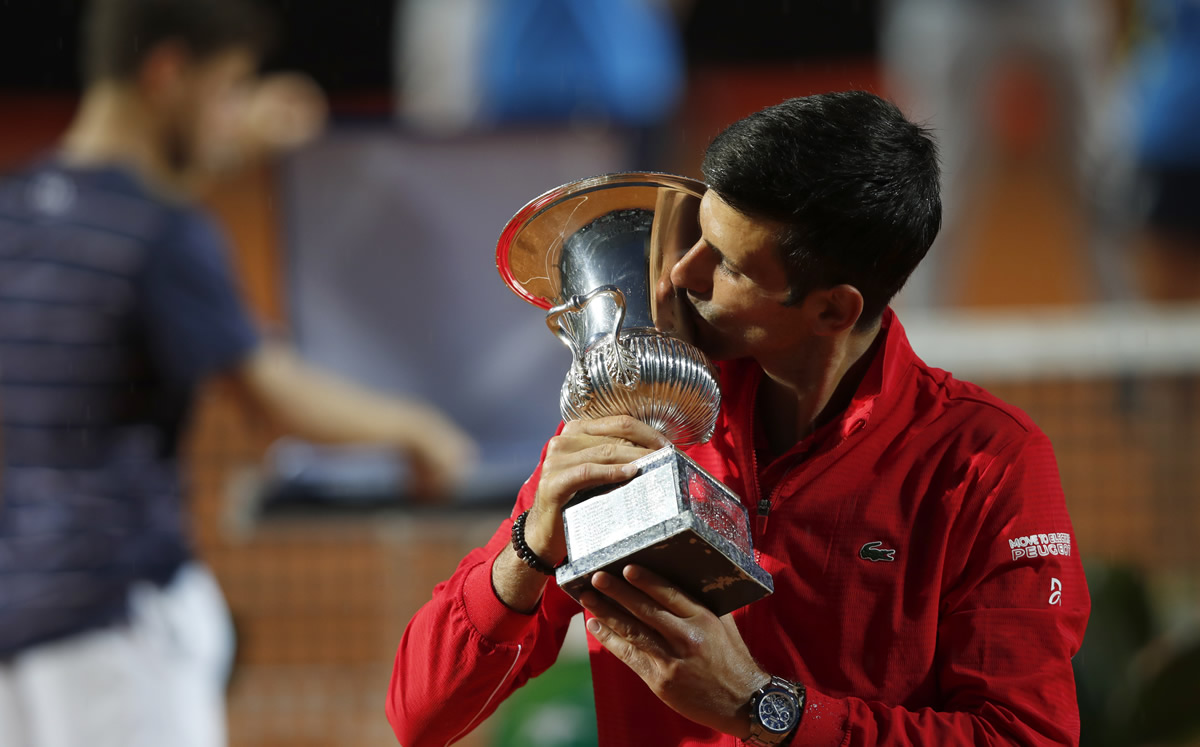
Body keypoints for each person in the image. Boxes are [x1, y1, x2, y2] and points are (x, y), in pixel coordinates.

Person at [387, 91, 1090, 746]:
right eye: (696, 232)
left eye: (724, 262)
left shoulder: (988, 466)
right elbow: (422, 713)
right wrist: (530, 546)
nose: (679, 274)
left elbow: (1022, 734)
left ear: (832, 310)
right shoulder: (637, 413)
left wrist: (761, 704)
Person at [0, 1, 475, 745]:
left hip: (15, 633)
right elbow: (270, 394)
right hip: (114, 628)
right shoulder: (162, 231)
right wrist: (415, 428)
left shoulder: (18, 211)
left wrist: (232, 134)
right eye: (227, 89)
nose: (233, 114)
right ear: (167, 72)